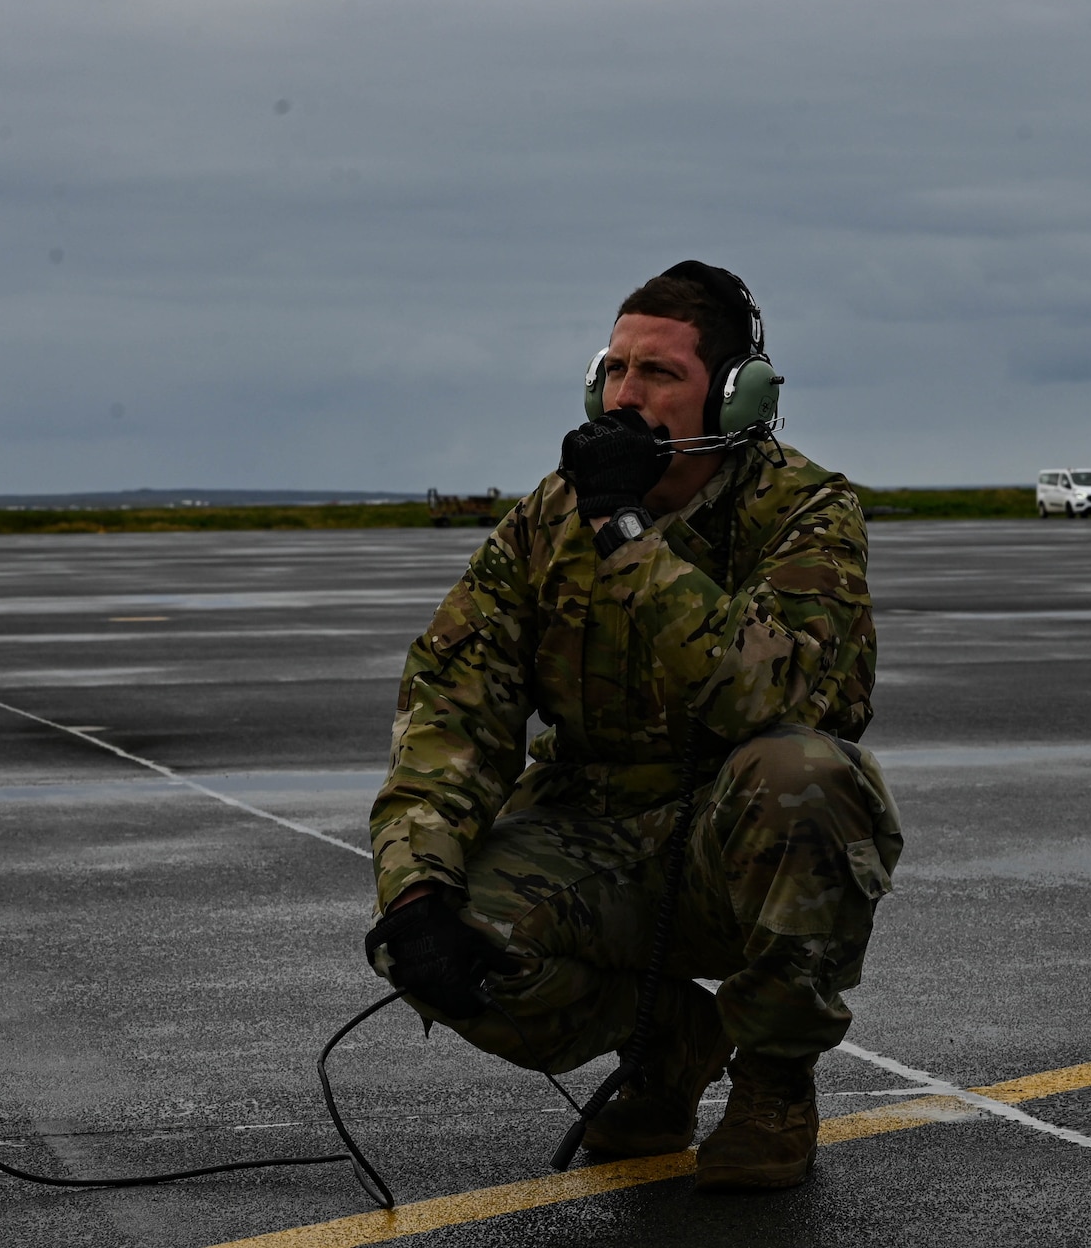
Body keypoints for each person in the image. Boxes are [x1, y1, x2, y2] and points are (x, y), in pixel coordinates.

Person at [363, 261, 901, 1191]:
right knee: (439, 944)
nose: (623, 395)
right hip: (594, 833)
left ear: (737, 399)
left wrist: (626, 534)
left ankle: (773, 1082)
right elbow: (453, 705)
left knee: (804, 775)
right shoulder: (547, 518)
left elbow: (759, 696)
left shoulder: (805, 511)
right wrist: (415, 889)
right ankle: (671, 1042)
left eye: (656, 374)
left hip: (735, 853)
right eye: (613, 370)